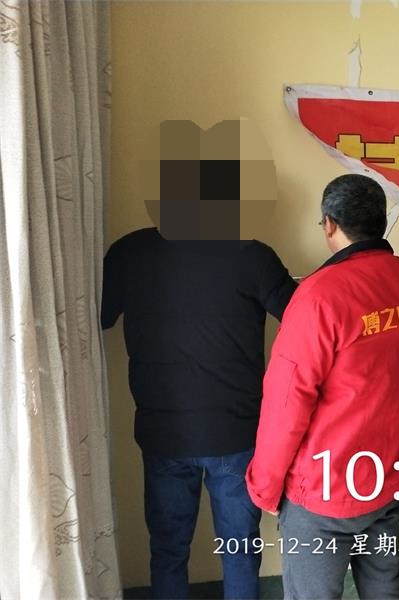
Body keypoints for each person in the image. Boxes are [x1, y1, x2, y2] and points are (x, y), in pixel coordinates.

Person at [101, 120, 297, 599]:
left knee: (168, 549)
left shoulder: (128, 253)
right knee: (239, 548)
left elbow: (97, 318)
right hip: (236, 431)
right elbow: (302, 318)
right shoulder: (253, 255)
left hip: (163, 432)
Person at [245, 174, 399, 600]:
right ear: (379, 221)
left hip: (321, 492)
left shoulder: (318, 296)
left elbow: (287, 402)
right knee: (385, 591)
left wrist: (264, 486)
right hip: (382, 479)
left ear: (330, 224)